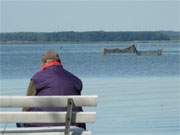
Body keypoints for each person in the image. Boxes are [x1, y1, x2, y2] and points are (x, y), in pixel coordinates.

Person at [17, 51, 85, 129]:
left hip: (39, 126)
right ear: (59, 62)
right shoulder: (75, 80)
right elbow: (78, 107)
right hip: (70, 127)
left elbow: (26, 106)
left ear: (43, 63)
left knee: (21, 121)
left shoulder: (37, 78)